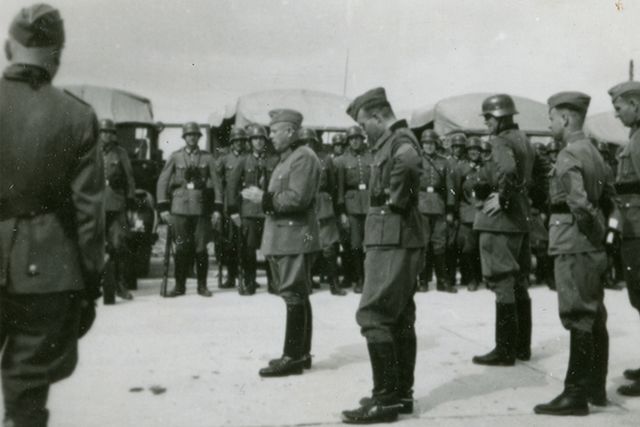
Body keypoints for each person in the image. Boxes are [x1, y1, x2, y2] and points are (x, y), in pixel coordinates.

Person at [0, 4, 105, 425]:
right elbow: (89, 214)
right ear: (56, 57)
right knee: (27, 394)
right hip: (47, 272)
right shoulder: (77, 116)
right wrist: (91, 282)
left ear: (8, 48)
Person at [341, 88, 425, 424]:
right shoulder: (394, 140)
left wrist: (396, 199)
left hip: (392, 235)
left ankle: (385, 399)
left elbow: (409, 161)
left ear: (378, 116)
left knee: (374, 314)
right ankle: (400, 393)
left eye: (364, 125)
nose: (363, 132)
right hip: (393, 235)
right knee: (400, 314)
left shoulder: (399, 140)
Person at [534, 92, 614, 415]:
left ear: (565, 118)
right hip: (590, 245)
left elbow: (579, 203)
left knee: (578, 314)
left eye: (552, 118)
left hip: (573, 241)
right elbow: (608, 199)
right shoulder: (594, 151)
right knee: (595, 313)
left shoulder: (569, 154)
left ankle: (575, 393)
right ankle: (596, 388)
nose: (550, 124)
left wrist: (593, 232)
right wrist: (602, 237)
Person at [241, 109, 321, 377]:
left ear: (290, 131)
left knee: (293, 294)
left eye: (275, 131)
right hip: (287, 236)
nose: (271, 136)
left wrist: (263, 198)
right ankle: (300, 354)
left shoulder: (303, 158)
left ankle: (293, 357)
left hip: (294, 237)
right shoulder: (290, 158)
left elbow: (297, 198)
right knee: (297, 294)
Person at [472, 94, 535, 366]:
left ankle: (505, 350)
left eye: (488, 117)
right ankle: (521, 347)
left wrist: (504, 198)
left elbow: (507, 169)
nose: (486, 122)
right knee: (518, 282)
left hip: (500, 222)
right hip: (520, 220)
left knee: (502, 282)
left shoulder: (500, 140)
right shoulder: (524, 140)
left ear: (498, 117)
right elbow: (538, 173)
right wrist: (518, 198)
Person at [156, 122, 222, 297]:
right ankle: (179, 286)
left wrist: (217, 208)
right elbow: (163, 181)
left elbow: (217, 184)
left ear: (199, 137)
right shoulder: (175, 157)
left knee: (201, 248)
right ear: (184, 137)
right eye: (189, 135)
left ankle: (202, 286)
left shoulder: (207, 158)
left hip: (201, 209)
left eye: (195, 135)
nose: (192, 138)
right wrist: (163, 207)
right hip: (179, 209)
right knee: (181, 248)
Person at [608, 80, 640, 396]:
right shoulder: (635, 137)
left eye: (619, 108)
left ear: (635, 105)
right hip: (633, 227)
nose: (616, 115)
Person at [229, 123, 278, 295]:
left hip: (268, 211)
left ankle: (274, 283)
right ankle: (249, 282)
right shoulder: (243, 161)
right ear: (250, 142)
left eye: (261, 139)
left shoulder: (273, 160)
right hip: (249, 212)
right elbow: (232, 187)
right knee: (248, 249)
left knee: (271, 248)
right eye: (255, 139)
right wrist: (234, 211)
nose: (258, 142)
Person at [299, 127, 347, 296]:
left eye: (310, 142)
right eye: (304, 142)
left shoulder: (325, 159)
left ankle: (334, 284)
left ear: (315, 142)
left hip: (324, 208)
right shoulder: (297, 160)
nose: (307, 145)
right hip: (306, 209)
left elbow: (333, 185)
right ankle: (307, 281)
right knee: (307, 244)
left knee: (330, 247)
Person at [99, 118, 135, 302]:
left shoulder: (120, 153)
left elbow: (129, 179)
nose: (107, 135)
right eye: (104, 132)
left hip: (116, 205)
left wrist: (130, 204)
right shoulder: (89, 152)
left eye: (110, 132)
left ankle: (121, 285)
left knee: (119, 245)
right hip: (95, 207)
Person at [416, 130, 455, 292]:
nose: (429, 146)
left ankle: (442, 280)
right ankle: (423, 280)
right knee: (423, 243)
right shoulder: (417, 161)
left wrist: (450, 209)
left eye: (431, 143)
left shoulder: (444, 162)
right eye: (426, 143)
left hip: (439, 206)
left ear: (436, 145)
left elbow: (450, 187)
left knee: (440, 243)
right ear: (422, 145)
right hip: (421, 205)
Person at [336, 125, 372, 293]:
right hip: (352, 206)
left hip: (369, 204)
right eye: (351, 139)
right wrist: (342, 212)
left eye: (357, 138)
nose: (355, 142)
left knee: (371, 243)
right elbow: (340, 189)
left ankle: (370, 278)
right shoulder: (342, 160)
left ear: (362, 139)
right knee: (355, 244)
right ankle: (359, 278)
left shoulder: (371, 157)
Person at [217, 127, 248, 289]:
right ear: (232, 143)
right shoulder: (224, 159)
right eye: (236, 141)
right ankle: (231, 276)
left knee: (246, 242)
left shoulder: (249, 158)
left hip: (246, 204)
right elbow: (216, 180)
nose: (239, 144)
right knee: (230, 242)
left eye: (242, 141)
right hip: (229, 204)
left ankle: (247, 276)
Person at [456, 136, 484, 291]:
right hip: (467, 212)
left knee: (483, 246)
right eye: (471, 150)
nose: (474, 152)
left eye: (477, 150)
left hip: (484, 212)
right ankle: (471, 278)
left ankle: (481, 276)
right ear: (467, 152)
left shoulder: (486, 167)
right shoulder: (461, 168)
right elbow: (455, 191)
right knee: (468, 248)